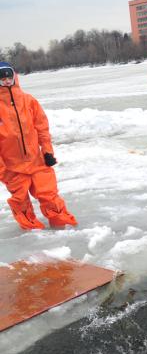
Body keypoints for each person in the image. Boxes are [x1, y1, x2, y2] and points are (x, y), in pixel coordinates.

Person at [0, 62, 77, 230]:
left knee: (49, 195)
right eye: (2, 77)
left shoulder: (28, 101)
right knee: (20, 202)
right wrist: (2, 170)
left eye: (8, 76)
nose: (6, 80)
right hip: (13, 168)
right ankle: (32, 233)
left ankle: (61, 229)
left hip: (37, 162)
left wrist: (47, 152)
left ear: (14, 77)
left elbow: (42, 128)